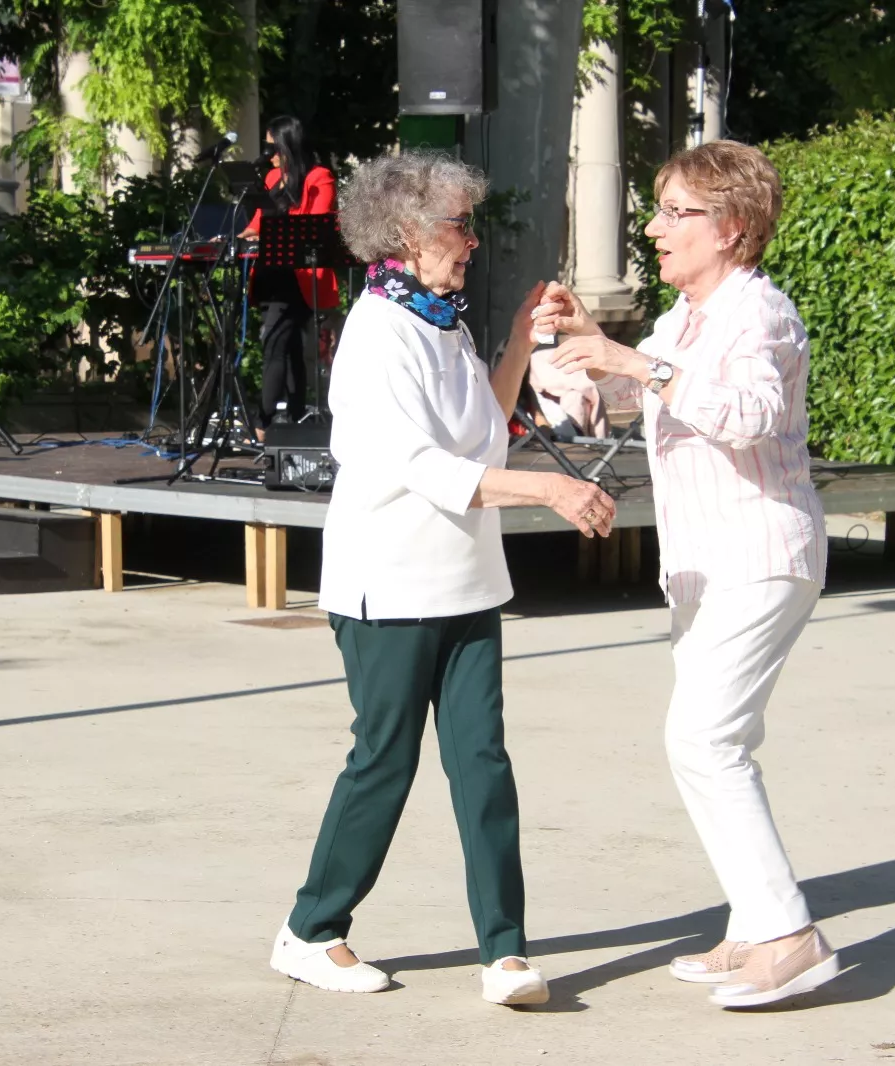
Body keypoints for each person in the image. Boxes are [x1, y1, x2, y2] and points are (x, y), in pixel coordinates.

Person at [269, 149, 617, 1006]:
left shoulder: (440, 320)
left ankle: (504, 951)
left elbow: (484, 429)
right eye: (457, 225)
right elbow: (423, 467)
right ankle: (311, 930)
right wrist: (552, 488)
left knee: (484, 764)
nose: (470, 240)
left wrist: (518, 336)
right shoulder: (376, 331)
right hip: (387, 583)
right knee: (384, 762)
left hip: (466, 579)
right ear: (405, 235)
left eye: (467, 222)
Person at [540, 139, 839, 1008]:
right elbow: (628, 402)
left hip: (760, 554)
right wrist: (572, 357)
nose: (654, 227)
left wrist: (631, 360)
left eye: (676, 212)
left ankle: (789, 934)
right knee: (715, 744)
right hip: (703, 565)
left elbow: (746, 414)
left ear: (733, 228)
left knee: (703, 740)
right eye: (658, 208)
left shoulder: (761, 315)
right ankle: (752, 926)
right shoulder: (684, 320)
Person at [238, 115, 339, 434]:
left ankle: (263, 422)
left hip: (298, 274)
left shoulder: (319, 178)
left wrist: (272, 233)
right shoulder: (269, 180)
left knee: (275, 343)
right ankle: (295, 418)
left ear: (288, 145)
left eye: (273, 147)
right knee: (290, 343)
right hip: (271, 272)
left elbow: (317, 223)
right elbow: (256, 223)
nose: (270, 154)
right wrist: (236, 238)